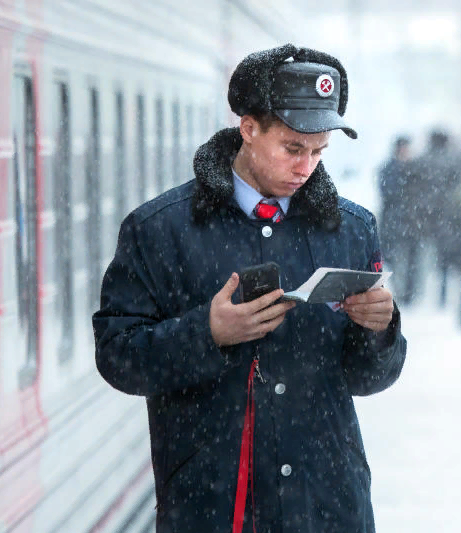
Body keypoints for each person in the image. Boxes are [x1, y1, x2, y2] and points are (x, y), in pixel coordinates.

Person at [93, 44, 407, 533]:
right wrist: (207, 334)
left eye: (319, 151)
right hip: (212, 505)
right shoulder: (160, 229)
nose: (307, 167)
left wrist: (380, 329)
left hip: (326, 505)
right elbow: (116, 357)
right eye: (293, 148)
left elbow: (370, 378)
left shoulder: (352, 229)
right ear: (248, 129)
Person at [377, 135, 420, 304]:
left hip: (410, 222)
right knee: (393, 259)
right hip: (394, 221)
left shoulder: (414, 168)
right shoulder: (389, 169)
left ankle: (408, 294)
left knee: (411, 260)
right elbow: (388, 193)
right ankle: (398, 292)